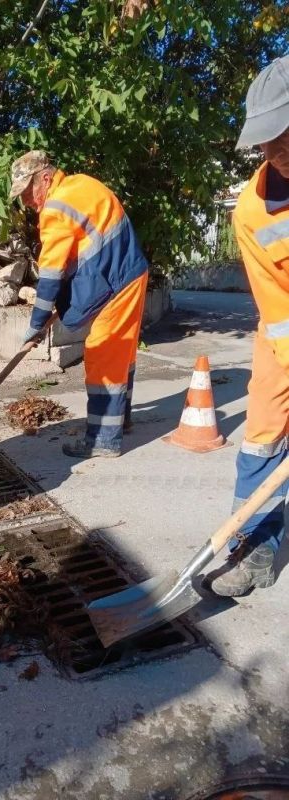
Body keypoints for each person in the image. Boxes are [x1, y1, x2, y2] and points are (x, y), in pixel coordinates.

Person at [206, 56, 289, 596]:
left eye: (284, 134)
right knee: (260, 437)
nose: (274, 151)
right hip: (285, 331)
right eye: (266, 141)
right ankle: (253, 548)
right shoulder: (252, 212)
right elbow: (277, 309)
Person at [9, 150, 148, 458]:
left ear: (46, 178)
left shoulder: (56, 208)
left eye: (28, 192)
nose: (26, 201)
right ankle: (119, 421)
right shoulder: (81, 185)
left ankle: (103, 440)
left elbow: (51, 273)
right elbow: (82, 254)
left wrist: (36, 324)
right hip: (128, 273)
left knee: (103, 354)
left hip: (117, 281)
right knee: (121, 351)